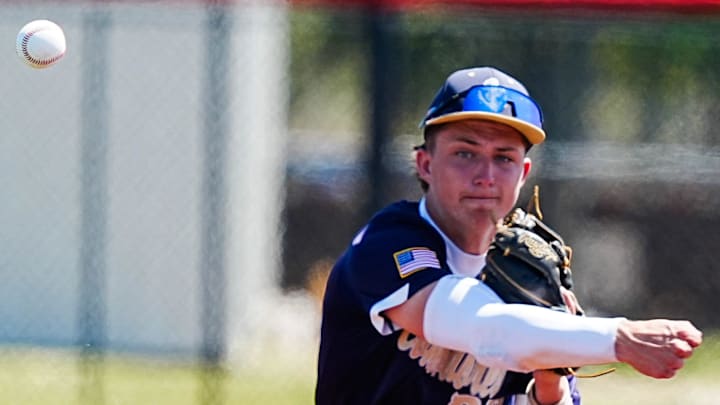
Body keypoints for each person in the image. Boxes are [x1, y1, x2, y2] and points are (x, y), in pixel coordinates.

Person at [315, 66, 702, 405]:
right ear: (426, 164)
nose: (485, 175)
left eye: (504, 158)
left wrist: (550, 376)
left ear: (524, 173)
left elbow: (535, 376)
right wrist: (619, 337)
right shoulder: (388, 244)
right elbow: (484, 326)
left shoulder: (522, 271)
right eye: (465, 153)